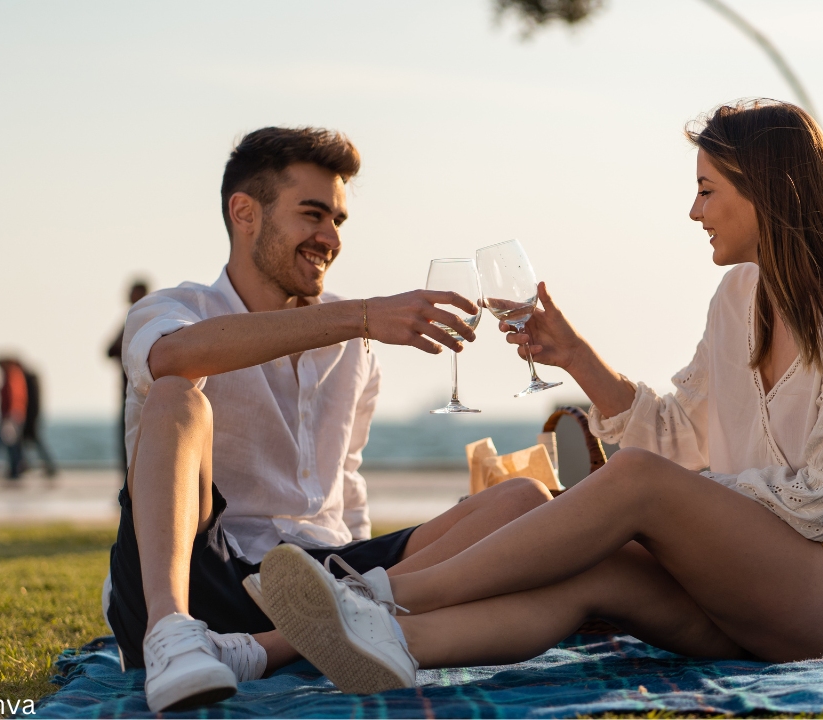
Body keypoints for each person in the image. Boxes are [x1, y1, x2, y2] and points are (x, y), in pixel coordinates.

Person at [255, 100, 823, 693]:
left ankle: (374, 596)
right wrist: (574, 355)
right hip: (744, 593)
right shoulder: (737, 300)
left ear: (768, 193)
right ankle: (299, 649)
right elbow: (671, 438)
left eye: (706, 190)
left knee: (634, 484)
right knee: (590, 569)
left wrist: (671, 506)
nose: (693, 211)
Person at [109, 126, 554, 713]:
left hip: (323, 583)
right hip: (201, 576)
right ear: (244, 213)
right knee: (175, 397)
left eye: (338, 220)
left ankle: (280, 645)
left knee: (525, 499)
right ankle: (171, 637)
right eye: (313, 214)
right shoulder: (174, 310)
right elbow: (172, 358)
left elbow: (345, 485)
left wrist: (363, 575)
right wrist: (360, 316)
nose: (329, 237)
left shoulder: (354, 343)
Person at [107, 280, 149, 473]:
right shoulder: (133, 318)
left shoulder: (142, 317)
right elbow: (109, 350)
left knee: (134, 439)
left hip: (140, 390)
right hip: (131, 389)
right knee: (130, 440)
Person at [20, 363, 58, 477]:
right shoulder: (31, 380)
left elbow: (31, 403)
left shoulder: (28, 380)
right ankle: (28, 463)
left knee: (34, 441)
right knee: (28, 442)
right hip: (32, 416)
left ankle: (48, 465)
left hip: (30, 417)